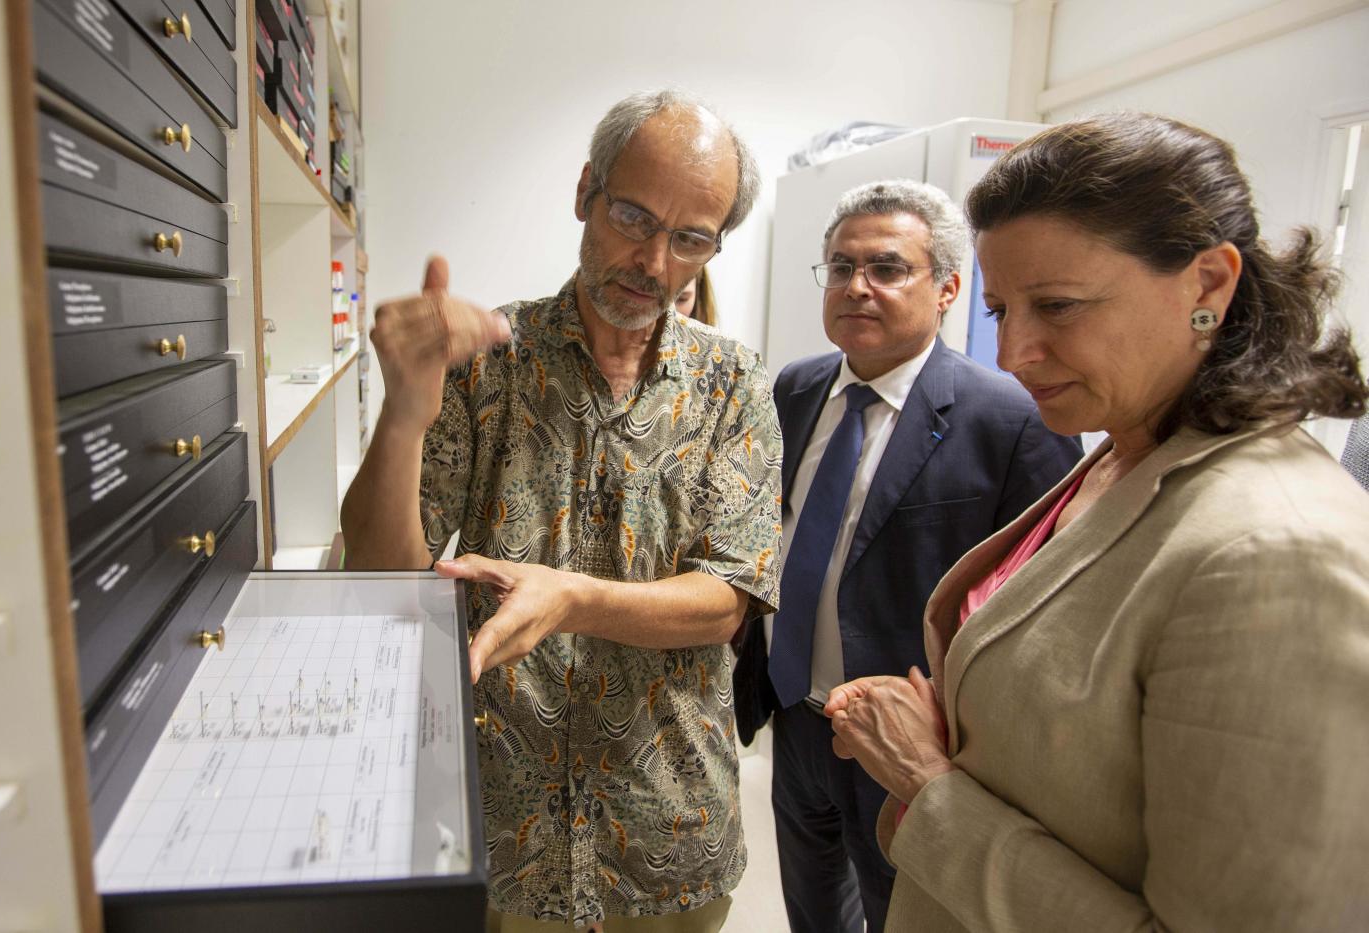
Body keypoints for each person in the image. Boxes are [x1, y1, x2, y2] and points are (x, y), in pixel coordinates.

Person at [825, 112, 1369, 932]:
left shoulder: (1279, 553)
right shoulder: (1129, 448)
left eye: (1059, 306)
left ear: (1208, 286)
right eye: (1004, 308)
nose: (1012, 353)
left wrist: (930, 787)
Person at [340, 90, 782, 932]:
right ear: (586, 191)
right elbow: (378, 576)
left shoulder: (736, 384)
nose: (653, 260)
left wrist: (574, 598)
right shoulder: (485, 363)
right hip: (508, 832)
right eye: (631, 216)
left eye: (690, 238)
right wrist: (403, 410)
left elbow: (729, 597)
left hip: (668, 831)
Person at [732, 179, 1081, 932]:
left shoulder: (1011, 418)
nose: (857, 286)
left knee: (909, 917)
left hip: (907, 741)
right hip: (797, 716)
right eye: (840, 266)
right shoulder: (795, 389)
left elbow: (1047, 607)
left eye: (887, 268)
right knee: (814, 914)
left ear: (949, 287)